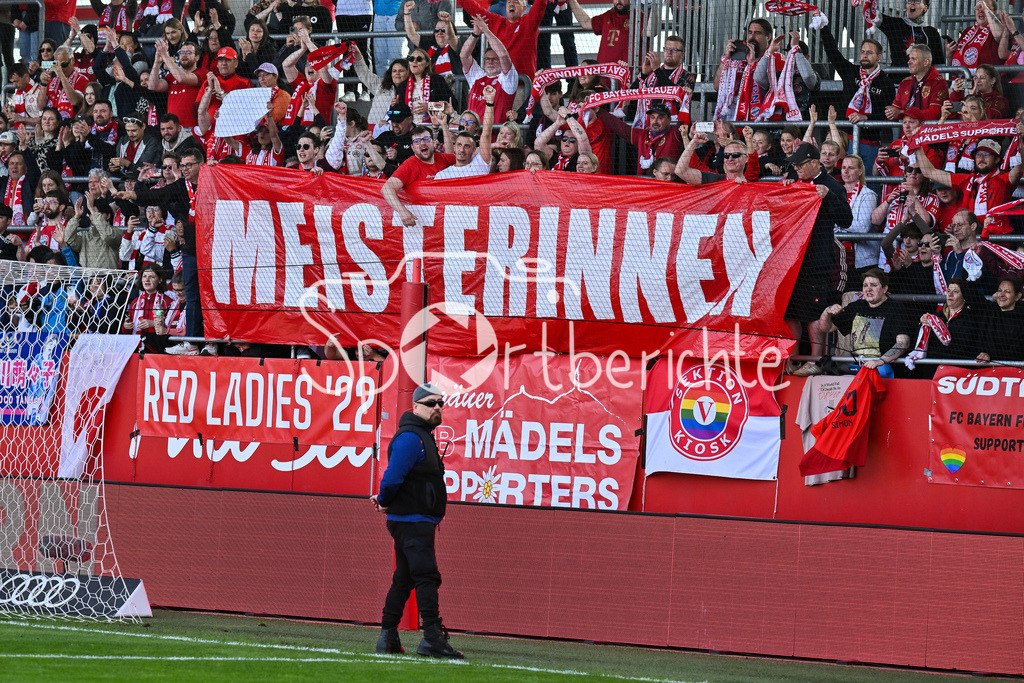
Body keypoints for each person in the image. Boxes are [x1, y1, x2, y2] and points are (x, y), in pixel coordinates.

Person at [370, 383, 463, 660]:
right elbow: (392, 477)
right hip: (412, 520)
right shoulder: (412, 437)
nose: (437, 408)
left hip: (413, 519)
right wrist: (384, 499)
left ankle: (388, 636)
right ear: (416, 407)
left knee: (406, 577)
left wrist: (386, 501)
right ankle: (432, 638)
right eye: (431, 403)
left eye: (440, 403)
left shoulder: (421, 435)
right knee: (426, 576)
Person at [782, 142, 854, 339]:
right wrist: (786, 189)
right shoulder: (793, 180)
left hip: (815, 261)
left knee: (813, 314)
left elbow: (846, 220)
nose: (796, 169)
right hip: (791, 260)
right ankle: (793, 359)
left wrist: (828, 197)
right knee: (789, 314)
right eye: (794, 166)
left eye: (799, 165)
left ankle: (816, 359)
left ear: (815, 163)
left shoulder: (832, 186)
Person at [793, 269, 913, 377]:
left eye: (873, 285)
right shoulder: (857, 306)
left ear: (884, 289)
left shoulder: (896, 309)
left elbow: (903, 343)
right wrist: (827, 312)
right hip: (856, 366)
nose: (868, 289)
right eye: (865, 285)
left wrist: (880, 361)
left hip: (883, 367)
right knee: (834, 370)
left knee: (882, 371)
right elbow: (827, 328)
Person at [816, 21, 899, 171]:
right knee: (843, 182)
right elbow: (833, 52)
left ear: (879, 56)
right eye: (863, 52)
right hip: (845, 141)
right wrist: (823, 27)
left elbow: (887, 115)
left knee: (869, 184)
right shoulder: (850, 71)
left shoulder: (886, 82)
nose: (865, 55)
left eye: (870, 52)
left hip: (870, 143)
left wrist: (866, 117)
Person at [915, 137, 1023, 235]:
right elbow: (929, 172)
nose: (981, 158)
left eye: (987, 154)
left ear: (997, 159)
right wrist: (917, 146)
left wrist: (1022, 138)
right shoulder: (967, 179)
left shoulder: (1004, 179)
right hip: (971, 236)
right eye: (978, 154)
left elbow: (1020, 166)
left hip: (996, 239)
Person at [382, 126, 456, 226]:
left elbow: (466, 158)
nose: (422, 143)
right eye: (417, 141)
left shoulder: (442, 158)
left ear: (433, 142)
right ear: (412, 147)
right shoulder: (411, 164)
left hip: (445, 219)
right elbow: (387, 188)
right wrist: (403, 212)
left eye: (426, 139)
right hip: (423, 221)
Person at [457, 0, 550, 78]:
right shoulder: (497, 22)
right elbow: (473, 8)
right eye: (509, 2)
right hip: (501, 86)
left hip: (524, 84)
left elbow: (541, 3)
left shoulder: (529, 22)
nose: (511, 4)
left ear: (524, 9)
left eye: (516, 2)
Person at [597, 103, 684, 176]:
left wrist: (687, 100)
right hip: (644, 185)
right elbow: (619, 127)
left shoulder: (675, 134)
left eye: (660, 118)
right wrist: (598, 111)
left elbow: (684, 120)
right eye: (652, 117)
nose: (655, 121)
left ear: (669, 120)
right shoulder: (642, 135)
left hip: (668, 185)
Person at [460, 18, 518, 121]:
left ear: (500, 61)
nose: (490, 62)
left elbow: (504, 55)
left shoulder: (507, 79)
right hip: (472, 134)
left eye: (494, 59)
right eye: (487, 59)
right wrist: (475, 33)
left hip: (496, 134)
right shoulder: (477, 76)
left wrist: (486, 30)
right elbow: (464, 55)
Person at [838, 155, 880, 282]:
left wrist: (839, 225)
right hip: (839, 259)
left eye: (850, 168)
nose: (845, 171)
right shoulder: (836, 193)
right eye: (843, 167)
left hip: (862, 261)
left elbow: (863, 228)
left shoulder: (868, 195)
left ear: (860, 171)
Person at [435, 88, 494, 179]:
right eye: (459, 145)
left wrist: (489, 101)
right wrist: (443, 125)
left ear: (474, 150)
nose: (462, 149)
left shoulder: (479, 166)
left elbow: (486, 134)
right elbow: (449, 154)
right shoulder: (442, 176)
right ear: (454, 147)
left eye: (467, 146)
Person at [148, 38, 204, 129]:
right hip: (172, 131)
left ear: (197, 57)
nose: (184, 55)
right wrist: (157, 62)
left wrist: (165, 56)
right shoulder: (172, 76)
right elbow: (152, 86)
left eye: (188, 52)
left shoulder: (202, 73)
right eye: (181, 53)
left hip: (192, 129)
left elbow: (182, 78)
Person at [886, 43, 948, 121]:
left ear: (926, 62)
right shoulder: (905, 83)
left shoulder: (938, 83)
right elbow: (896, 109)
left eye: (914, 59)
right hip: (907, 132)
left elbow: (934, 114)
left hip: (928, 132)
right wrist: (891, 113)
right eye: (909, 58)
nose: (909, 62)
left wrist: (902, 113)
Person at [877, 0, 945, 66]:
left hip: (923, 77)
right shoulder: (896, 24)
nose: (912, 3)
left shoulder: (932, 32)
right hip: (898, 76)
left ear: (925, 7)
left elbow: (938, 64)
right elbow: (874, 17)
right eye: (909, 0)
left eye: (917, 1)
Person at [565, 0, 634, 65]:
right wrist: (572, 1)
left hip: (626, 75)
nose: (618, 1)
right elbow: (586, 23)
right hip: (603, 74)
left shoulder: (638, 18)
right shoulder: (609, 15)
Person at [947, 0, 1005, 73]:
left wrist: (986, 9)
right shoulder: (968, 31)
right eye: (978, 8)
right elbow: (957, 60)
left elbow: (999, 34)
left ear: (994, 12)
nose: (980, 11)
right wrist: (949, 54)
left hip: (987, 79)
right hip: (963, 80)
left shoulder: (997, 28)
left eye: (984, 7)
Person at [975, 277, 1024, 361]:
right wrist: (968, 277)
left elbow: (1018, 351)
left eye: (1007, 292)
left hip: (1014, 370)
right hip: (987, 371)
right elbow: (970, 295)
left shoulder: (1021, 319)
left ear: (1017, 296)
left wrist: (991, 357)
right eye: (999, 290)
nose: (1001, 295)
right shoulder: (989, 310)